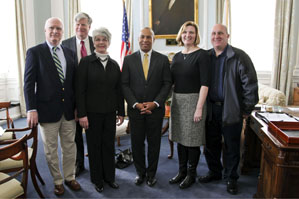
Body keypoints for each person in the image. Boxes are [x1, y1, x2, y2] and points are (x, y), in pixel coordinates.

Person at [198, 24, 258, 195]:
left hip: (231, 109)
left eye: (220, 33)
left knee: (232, 146)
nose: (217, 36)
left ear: (227, 36)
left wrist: (246, 108)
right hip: (211, 109)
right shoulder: (206, 56)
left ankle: (231, 178)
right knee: (211, 144)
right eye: (214, 33)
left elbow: (250, 84)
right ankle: (214, 172)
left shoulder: (239, 56)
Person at [24, 17, 81, 196]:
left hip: (69, 111)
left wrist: (78, 106)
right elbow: (28, 83)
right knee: (50, 150)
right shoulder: (35, 52)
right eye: (51, 28)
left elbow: (75, 83)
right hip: (47, 111)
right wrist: (31, 108)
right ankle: (57, 181)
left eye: (58, 28)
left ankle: (70, 177)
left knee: (70, 146)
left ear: (63, 32)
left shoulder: (70, 53)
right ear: (45, 30)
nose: (55, 31)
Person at [76, 27, 125, 193]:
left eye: (104, 39)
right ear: (94, 42)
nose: (101, 42)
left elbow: (118, 90)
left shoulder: (114, 64)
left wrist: (121, 112)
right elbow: (80, 90)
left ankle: (109, 177)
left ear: (109, 42)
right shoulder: (85, 62)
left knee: (108, 146)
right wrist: (82, 114)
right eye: (97, 39)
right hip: (92, 114)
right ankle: (97, 179)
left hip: (110, 113)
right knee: (94, 146)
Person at [121, 27, 172, 187]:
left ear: (153, 40)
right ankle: (140, 173)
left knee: (154, 143)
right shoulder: (129, 59)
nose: (145, 40)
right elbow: (125, 85)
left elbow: (167, 84)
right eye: (142, 37)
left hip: (155, 111)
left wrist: (155, 103)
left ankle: (151, 174)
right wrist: (135, 104)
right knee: (136, 143)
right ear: (138, 39)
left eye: (148, 37)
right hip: (135, 111)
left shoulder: (162, 60)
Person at [168, 21, 210, 189]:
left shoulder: (202, 55)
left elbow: (205, 84)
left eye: (191, 32)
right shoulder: (177, 57)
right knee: (179, 138)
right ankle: (181, 171)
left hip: (195, 101)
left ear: (196, 35)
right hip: (178, 101)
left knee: (192, 140)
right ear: (181, 34)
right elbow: (171, 82)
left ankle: (191, 174)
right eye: (185, 32)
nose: (188, 35)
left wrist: (199, 107)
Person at [62, 12, 94, 177]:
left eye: (84, 24)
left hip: (94, 98)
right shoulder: (65, 44)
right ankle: (79, 164)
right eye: (77, 24)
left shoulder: (97, 43)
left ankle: (97, 164)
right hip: (73, 98)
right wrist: (74, 105)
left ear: (89, 26)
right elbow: (65, 77)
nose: (80, 27)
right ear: (74, 26)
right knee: (75, 136)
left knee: (93, 133)